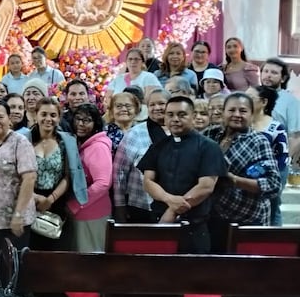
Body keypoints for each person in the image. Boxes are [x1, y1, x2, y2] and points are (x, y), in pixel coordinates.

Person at [28, 97, 88, 297]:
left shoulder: (67, 141)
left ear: (59, 117)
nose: (48, 119)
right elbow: (17, 173)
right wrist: (34, 197)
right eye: (43, 114)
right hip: (29, 202)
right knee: (35, 260)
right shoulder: (25, 139)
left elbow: (68, 175)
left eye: (53, 114)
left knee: (56, 261)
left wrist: (51, 198)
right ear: (35, 115)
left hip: (57, 205)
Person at [140, 97, 225, 253]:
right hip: (161, 222)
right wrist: (169, 199)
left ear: (193, 117)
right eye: (170, 115)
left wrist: (172, 211)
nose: (175, 119)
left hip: (194, 226)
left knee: (194, 275)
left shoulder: (208, 147)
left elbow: (206, 186)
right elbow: (148, 181)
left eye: (181, 114)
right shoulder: (158, 146)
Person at [204, 93, 281, 251]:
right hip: (211, 217)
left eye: (243, 111)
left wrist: (234, 180)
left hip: (247, 219)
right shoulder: (209, 135)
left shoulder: (258, 141)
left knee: (242, 271)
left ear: (252, 115)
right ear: (223, 112)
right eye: (231, 110)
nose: (237, 115)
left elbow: (273, 184)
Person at [0, 100, 36, 297]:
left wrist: (18, 214)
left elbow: (29, 178)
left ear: (9, 119)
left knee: (12, 271)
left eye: (0, 117)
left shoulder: (20, 142)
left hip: (13, 221)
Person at [112, 89, 170, 223]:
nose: (156, 108)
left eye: (161, 103)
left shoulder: (179, 132)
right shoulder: (135, 134)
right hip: (140, 204)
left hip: (173, 204)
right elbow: (119, 173)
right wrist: (120, 206)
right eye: (152, 104)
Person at [69, 103, 112, 252]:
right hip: (83, 213)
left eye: (86, 120)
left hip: (93, 214)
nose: (80, 124)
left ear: (96, 124)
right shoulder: (83, 144)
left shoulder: (98, 147)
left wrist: (76, 204)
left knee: (91, 261)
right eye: (78, 119)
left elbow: (103, 183)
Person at [246, 85, 290, 226]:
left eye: (250, 98)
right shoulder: (241, 124)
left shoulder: (276, 127)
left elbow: (282, 157)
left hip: (274, 174)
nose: (244, 101)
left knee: (273, 208)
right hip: (245, 176)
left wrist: (261, 170)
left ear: (264, 102)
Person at [259, 57, 300, 166]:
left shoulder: (291, 101)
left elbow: (295, 137)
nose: (268, 75)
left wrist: (282, 160)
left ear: (283, 78)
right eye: (265, 71)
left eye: (274, 73)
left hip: (276, 157)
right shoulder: (252, 95)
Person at [105, 91, 140, 158]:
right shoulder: (104, 133)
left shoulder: (143, 131)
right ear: (112, 111)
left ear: (136, 110)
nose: (124, 109)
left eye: (128, 106)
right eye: (119, 106)